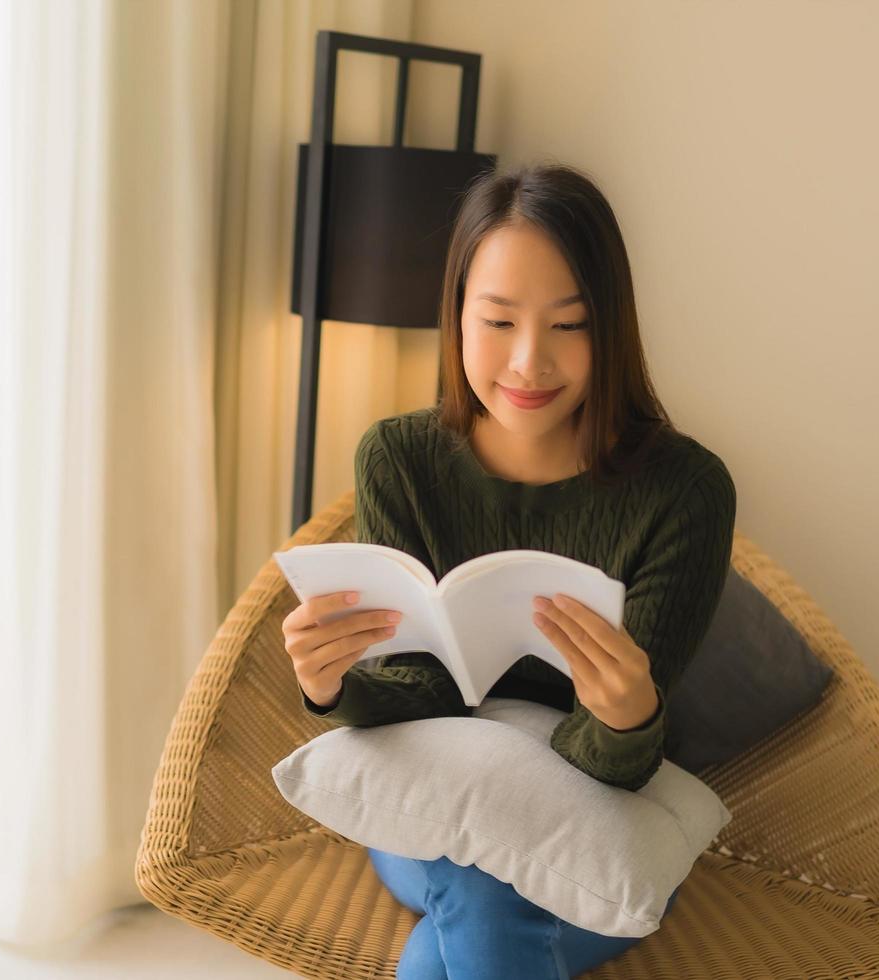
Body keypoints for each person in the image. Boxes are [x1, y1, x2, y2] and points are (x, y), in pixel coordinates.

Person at [280, 161, 736, 979]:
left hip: (600, 815)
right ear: (456, 317)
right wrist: (333, 686)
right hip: (433, 803)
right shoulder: (401, 460)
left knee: (464, 917)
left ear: (613, 329)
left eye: (570, 325)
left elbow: (619, 767)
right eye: (497, 322)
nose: (529, 363)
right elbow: (417, 697)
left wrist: (629, 717)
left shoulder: (684, 492)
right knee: (475, 872)